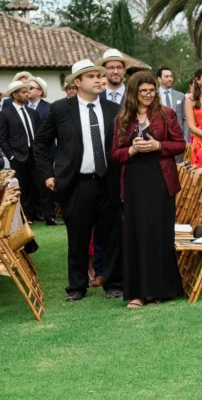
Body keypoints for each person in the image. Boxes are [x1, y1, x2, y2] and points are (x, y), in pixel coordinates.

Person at [34, 59, 123, 301]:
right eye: (91, 76)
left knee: (111, 236)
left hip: (108, 181)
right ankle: (76, 287)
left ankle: (114, 284)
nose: (99, 80)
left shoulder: (114, 109)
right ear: (78, 82)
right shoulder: (60, 109)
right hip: (76, 184)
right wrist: (48, 174)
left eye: (99, 76)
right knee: (78, 238)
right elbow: (40, 143)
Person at [111, 71, 186, 308]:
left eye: (151, 91)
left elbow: (180, 145)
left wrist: (158, 145)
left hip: (161, 181)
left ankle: (161, 291)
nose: (148, 95)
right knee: (136, 235)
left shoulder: (166, 114)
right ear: (133, 93)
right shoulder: (123, 118)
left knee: (159, 235)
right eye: (143, 91)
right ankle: (137, 293)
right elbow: (115, 154)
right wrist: (131, 150)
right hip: (134, 183)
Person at [0, 79, 56, 224]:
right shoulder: (5, 114)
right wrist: (11, 156)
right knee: (23, 189)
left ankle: (50, 217)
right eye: (24, 92)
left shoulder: (32, 112)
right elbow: (2, 138)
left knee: (43, 186)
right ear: (14, 95)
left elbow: (39, 135)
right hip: (18, 157)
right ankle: (26, 218)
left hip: (35, 156)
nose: (27, 94)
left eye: (28, 91)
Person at [156, 66, 191, 149]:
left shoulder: (180, 95)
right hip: (160, 138)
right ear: (159, 79)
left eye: (171, 76)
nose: (170, 79)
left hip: (178, 137)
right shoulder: (154, 95)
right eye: (166, 76)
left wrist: (186, 138)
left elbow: (185, 118)